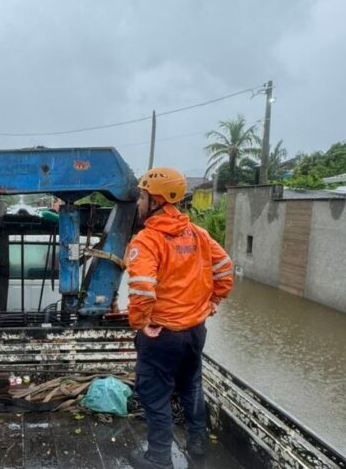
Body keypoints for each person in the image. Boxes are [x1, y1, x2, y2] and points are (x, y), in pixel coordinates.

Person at [126, 168, 234, 469]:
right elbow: (226, 270)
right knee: (190, 385)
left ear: (156, 200)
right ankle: (197, 441)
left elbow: (142, 288)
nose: (138, 203)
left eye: (142, 197)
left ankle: (159, 457)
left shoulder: (147, 240)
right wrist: (213, 302)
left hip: (162, 334)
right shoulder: (198, 234)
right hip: (195, 331)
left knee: (154, 392)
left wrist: (140, 322)